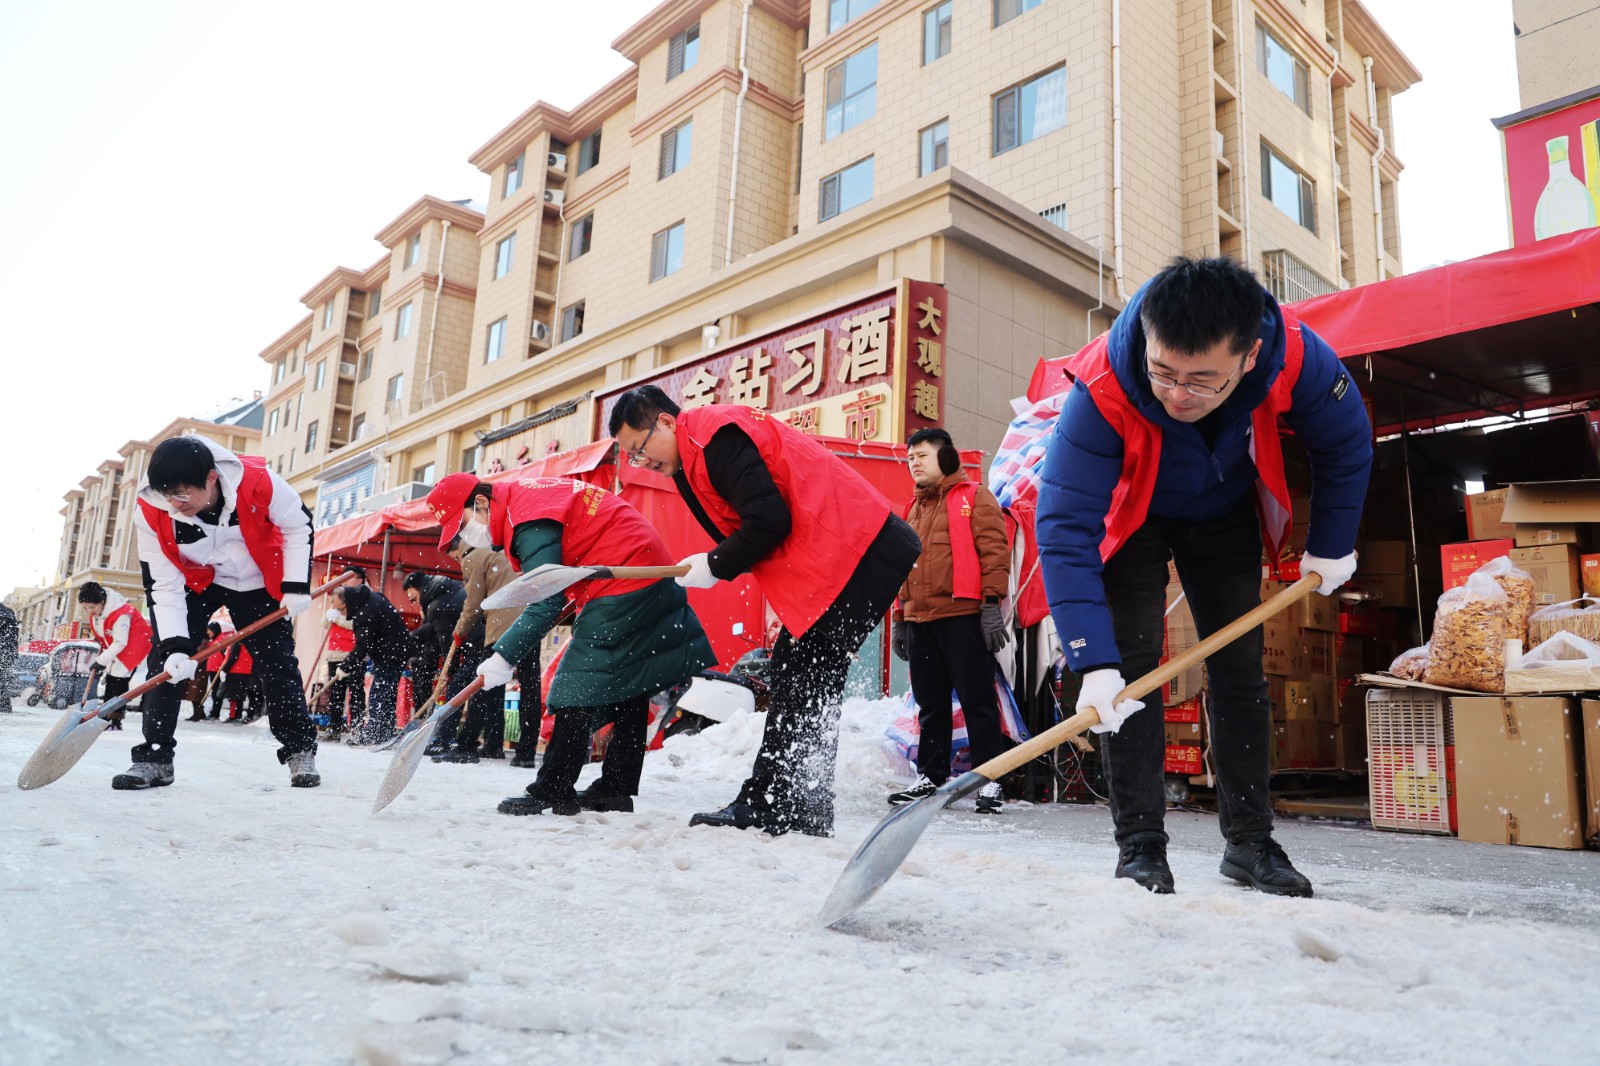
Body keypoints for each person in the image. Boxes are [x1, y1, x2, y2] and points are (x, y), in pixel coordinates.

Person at [1036, 256, 1371, 897]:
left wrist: (1330, 546)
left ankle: (1250, 843)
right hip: (1129, 515)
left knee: (1240, 672)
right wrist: (1090, 659)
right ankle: (1140, 848)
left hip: (1222, 513)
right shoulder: (1104, 379)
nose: (1177, 393)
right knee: (1128, 677)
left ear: (1249, 357)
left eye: (1201, 380)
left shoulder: (1295, 352)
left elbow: (1347, 438)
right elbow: (1063, 525)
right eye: (1163, 373)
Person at [608, 388, 921, 837]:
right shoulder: (692, 454)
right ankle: (790, 804)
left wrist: (715, 564)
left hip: (861, 549)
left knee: (806, 678)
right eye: (633, 459)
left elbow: (769, 520)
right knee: (800, 676)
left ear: (664, 422)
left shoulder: (714, 437)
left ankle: (785, 805)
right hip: (841, 559)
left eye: (639, 450)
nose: (643, 463)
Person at [424, 473, 714, 815]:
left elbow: (546, 600)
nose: (465, 535)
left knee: (574, 687)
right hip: (642, 567)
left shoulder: (527, 519)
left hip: (624, 577)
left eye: (463, 524)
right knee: (631, 684)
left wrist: (503, 656)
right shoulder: (526, 497)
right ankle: (615, 788)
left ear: (482, 502)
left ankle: (553, 788)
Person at [123, 434, 322, 790]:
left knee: (277, 662)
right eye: (168, 495)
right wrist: (174, 647)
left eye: (183, 495)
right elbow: (162, 585)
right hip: (198, 580)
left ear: (211, 479)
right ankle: (155, 756)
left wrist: (295, 586)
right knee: (166, 663)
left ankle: (299, 749)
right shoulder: (151, 509)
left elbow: (298, 525)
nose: (174, 504)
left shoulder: (259, 482)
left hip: (258, 579)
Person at [887, 428, 1013, 812]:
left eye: (922, 456)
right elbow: (901, 567)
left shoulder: (975, 497)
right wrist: (899, 618)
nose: (914, 464)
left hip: (963, 617)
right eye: (910, 458)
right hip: (920, 619)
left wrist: (992, 606)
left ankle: (991, 780)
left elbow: (994, 553)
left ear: (946, 458)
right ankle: (931, 776)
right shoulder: (912, 509)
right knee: (931, 704)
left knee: (978, 701)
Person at [434, 531, 519, 763]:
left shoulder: (472, 556)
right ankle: (500, 747)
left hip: (497, 628)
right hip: (524, 622)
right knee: (495, 689)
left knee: (482, 688)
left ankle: (466, 745)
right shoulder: (494, 550)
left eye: (454, 556)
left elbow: (473, 604)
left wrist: (459, 632)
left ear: (457, 549)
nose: (457, 561)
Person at [333, 575, 414, 744]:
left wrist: (345, 667)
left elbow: (363, 646)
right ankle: (382, 733)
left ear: (347, 601)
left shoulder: (365, 612)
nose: (341, 614)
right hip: (395, 651)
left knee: (379, 694)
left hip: (392, 653)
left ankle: (376, 734)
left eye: (341, 609)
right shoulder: (370, 598)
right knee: (385, 693)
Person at [78, 582, 153, 733]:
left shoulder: (121, 613)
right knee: (111, 682)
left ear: (102, 601)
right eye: (85, 607)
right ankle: (105, 719)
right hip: (118, 646)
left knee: (118, 683)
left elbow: (120, 642)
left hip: (133, 646)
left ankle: (115, 721)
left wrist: (100, 661)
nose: (89, 611)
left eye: (92, 607)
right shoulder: (99, 612)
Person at [403, 571, 464, 711]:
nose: (415, 603)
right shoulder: (442, 595)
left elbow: (444, 639)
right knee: (421, 696)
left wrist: (449, 670)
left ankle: (442, 727)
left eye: (414, 599)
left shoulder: (436, 607)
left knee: (450, 690)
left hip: (430, 660)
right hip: (426, 660)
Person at [322, 602, 362, 739]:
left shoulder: (358, 610)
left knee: (356, 694)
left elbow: (354, 625)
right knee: (336, 695)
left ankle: (357, 729)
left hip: (354, 655)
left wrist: (338, 619)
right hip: (334, 655)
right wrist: (328, 616)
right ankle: (334, 728)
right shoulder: (333, 610)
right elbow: (324, 625)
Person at [220, 640, 259, 722]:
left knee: (233, 696)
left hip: (235, 671)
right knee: (239, 696)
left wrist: (225, 670)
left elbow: (233, 657)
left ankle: (234, 716)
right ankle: (237, 715)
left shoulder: (238, 643)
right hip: (244, 671)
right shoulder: (247, 642)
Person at [1, 602, 19, 707]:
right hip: (6, 653)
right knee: (3, 680)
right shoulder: (9, 612)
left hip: (5, 651)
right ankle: (4, 705)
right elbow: (14, 636)